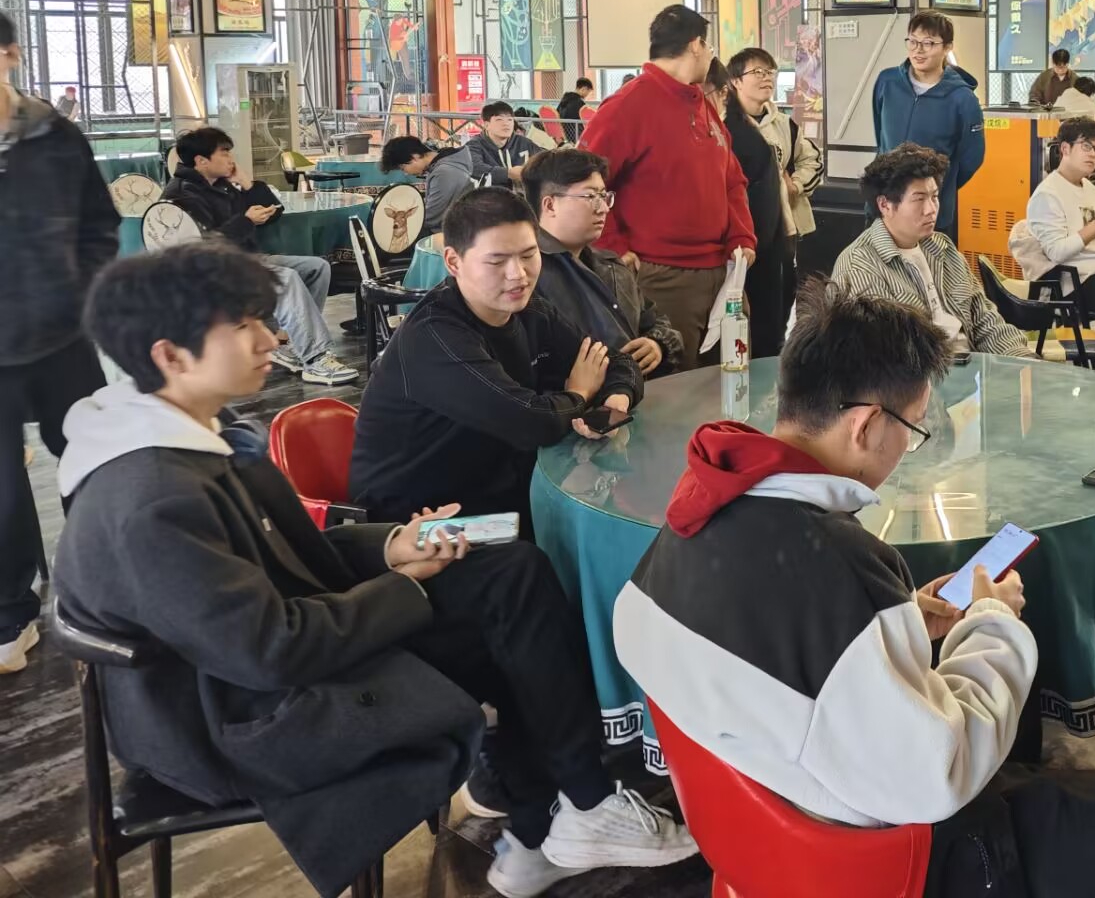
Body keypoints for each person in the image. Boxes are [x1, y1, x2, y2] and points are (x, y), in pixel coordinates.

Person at [56, 243, 695, 898]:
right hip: (237, 724)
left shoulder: (186, 430)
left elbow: (282, 556)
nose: (273, 339)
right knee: (506, 622)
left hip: (257, 667)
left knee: (511, 573)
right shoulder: (153, 498)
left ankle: (564, 818)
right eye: (244, 326)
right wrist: (405, 584)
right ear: (169, 355)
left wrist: (393, 546)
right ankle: (559, 818)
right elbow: (271, 650)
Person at [615, 280, 1095, 898]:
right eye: (913, 431)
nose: (906, 452)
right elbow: (940, 777)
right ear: (866, 425)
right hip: (888, 861)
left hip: (753, 830)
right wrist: (992, 624)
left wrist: (902, 622)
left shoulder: (697, 509)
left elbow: (775, 636)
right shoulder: (844, 564)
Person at [350, 187, 642, 527]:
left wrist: (614, 400)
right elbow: (531, 423)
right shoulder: (434, 335)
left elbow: (619, 363)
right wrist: (580, 394)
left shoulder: (530, 311)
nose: (518, 274)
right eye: (497, 261)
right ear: (453, 262)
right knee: (566, 538)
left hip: (496, 486)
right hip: (421, 520)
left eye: (529, 255)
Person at [0, 11, 117, 674]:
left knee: (91, 465)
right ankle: (8, 616)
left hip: (61, 335)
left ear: (10, 55)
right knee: (2, 492)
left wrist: (79, 292)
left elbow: (99, 224)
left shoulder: (56, 136)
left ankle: (105, 588)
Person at [580, 5, 756, 363]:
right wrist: (612, 245)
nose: (710, 55)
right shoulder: (628, 104)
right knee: (675, 385)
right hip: (662, 275)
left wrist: (742, 237)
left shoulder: (700, 103)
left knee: (734, 377)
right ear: (696, 45)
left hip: (725, 272)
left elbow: (732, 180)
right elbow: (584, 181)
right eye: (709, 47)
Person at [162, 126, 356, 387]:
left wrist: (247, 183)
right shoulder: (181, 195)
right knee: (285, 278)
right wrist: (245, 221)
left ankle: (291, 344)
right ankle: (316, 358)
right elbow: (200, 246)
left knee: (317, 267)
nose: (231, 159)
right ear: (201, 160)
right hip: (213, 270)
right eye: (224, 153)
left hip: (244, 260)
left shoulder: (221, 185)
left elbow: (274, 211)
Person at [832, 145, 1028, 356]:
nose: (931, 209)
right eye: (919, 199)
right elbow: (887, 356)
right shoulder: (860, 266)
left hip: (972, 365)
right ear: (885, 205)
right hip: (922, 372)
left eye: (934, 197)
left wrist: (1025, 361)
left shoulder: (943, 248)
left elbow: (986, 320)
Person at [525, 148, 683, 379]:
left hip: (636, 390)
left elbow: (655, 321)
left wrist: (657, 344)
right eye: (590, 197)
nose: (604, 208)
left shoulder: (612, 265)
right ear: (550, 205)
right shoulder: (527, 274)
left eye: (604, 196)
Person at [871, 10, 986, 241]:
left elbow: (971, 158)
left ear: (948, 47)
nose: (918, 50)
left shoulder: (963, 99)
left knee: (928, 265)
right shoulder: (887, 82)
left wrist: (939, 186)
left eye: (928, 43)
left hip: (930, 216)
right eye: (913, 42)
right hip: (885, 208)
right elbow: (880, 134)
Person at [1020, 117, 1095, 322]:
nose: (1093, 154)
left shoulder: (1090, 188)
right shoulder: (1047, 195)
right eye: (1086, 146)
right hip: (1077, 281)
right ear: (1065, 148)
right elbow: (1056, 252)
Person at [723, 49, 793, 357]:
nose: (766, 79)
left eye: (770, 72)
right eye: (757, 72)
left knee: (775, 319)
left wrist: (796, 183)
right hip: (744, 242)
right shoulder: (726, 128)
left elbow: (804, 158)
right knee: (747, 326)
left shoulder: (783, 123)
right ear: (735, 81)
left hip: (778, 231)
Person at [380, 134, 477, 235]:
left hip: (451, 233)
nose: (406, 173)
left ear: (414, 157)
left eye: (403, 168)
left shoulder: (443, 173)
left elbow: (431, 217)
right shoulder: (445, 164)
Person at [467, 101, 537, 185]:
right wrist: (508, 173)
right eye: (499, 119)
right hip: (488, 192)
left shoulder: (523, 143)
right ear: (486, 125)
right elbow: (474, 168)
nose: (506, 123)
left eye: (510, 119)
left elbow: (545, 159)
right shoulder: (474, 145)